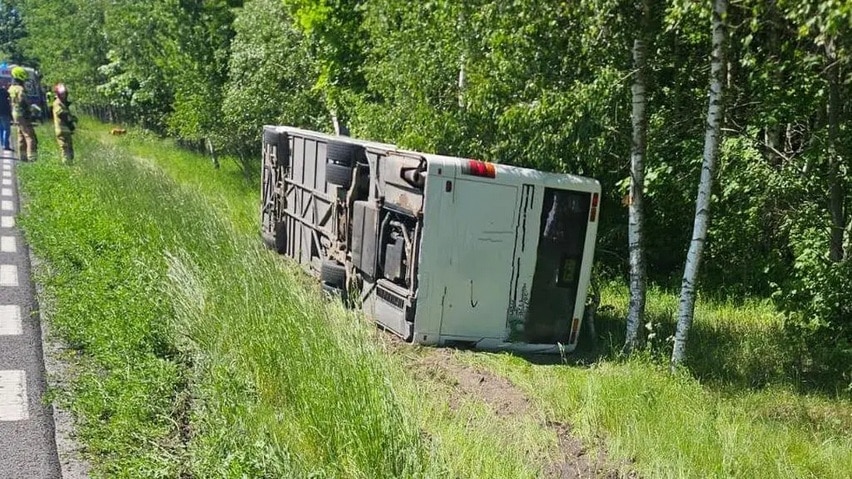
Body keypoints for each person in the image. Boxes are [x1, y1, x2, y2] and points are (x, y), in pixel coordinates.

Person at [8, 66, 37, 161]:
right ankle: (32, 157)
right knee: (29, 135)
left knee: (20, 134)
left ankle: (22, 157)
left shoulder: (11, 88)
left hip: (14, 113)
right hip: (21, 113)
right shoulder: (20, 89)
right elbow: (23, 101)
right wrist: (31, 109)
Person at [52, 83, 76, 164]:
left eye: (65, 94)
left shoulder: (63, 103)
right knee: (64, 148)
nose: (64, 95)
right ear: (58, 94)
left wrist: (72, 119)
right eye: (62, 94)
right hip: (61, 129)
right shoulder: (57, 103)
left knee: (70, 147)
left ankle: (70, 162)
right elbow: (62, 114)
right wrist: (70, 121)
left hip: (67, 130)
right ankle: (66, 164)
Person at [0, 84, 11, 151]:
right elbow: (9, 96)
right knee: (6, 129)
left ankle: (2, 143)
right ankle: (5, 145)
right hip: (4, 113)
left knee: (1, 129)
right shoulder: (4, 92)